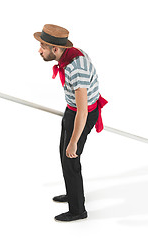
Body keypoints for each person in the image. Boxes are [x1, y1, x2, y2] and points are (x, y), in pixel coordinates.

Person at [34, 24, 107, 222]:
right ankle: (73, 193)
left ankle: (77, 210)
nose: (39, 50)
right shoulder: (69, 55)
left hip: (81, 115)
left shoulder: (77, 69)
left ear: (55, 49)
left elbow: (83, 112)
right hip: (72, 110)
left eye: (43, 46)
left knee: (71, 158)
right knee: (63, 154)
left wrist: (74, 141)